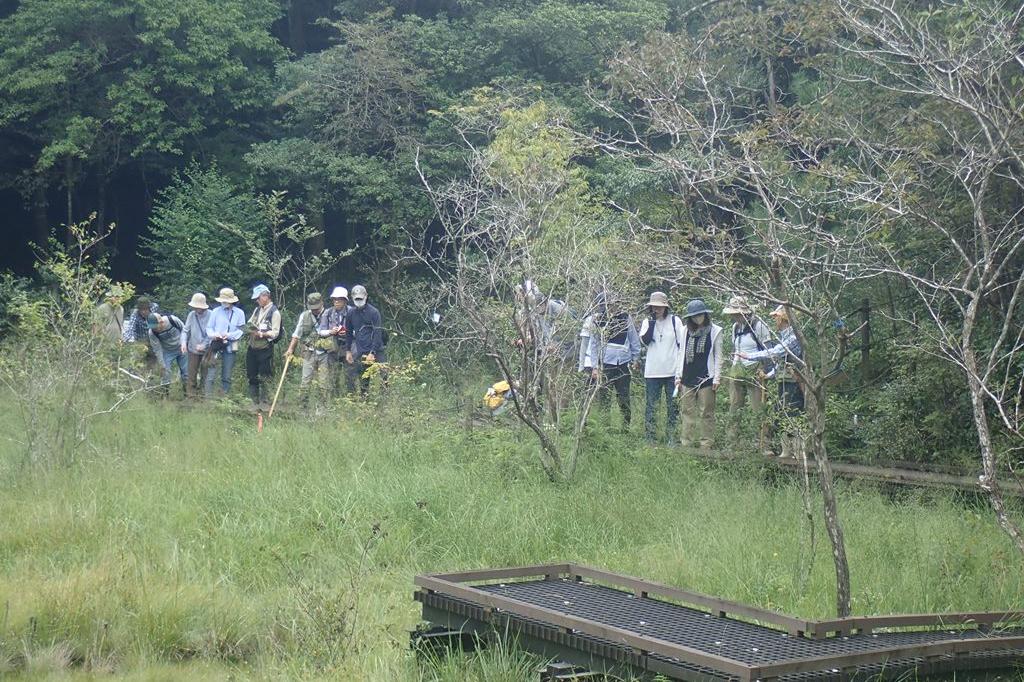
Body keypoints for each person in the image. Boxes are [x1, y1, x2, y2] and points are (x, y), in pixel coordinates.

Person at [739, 304, 805, 458]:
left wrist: (749, 356)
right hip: (783, 381)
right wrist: (770, 375)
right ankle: (786, 451)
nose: (775, 320)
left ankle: (799, 452)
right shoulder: (784, 337)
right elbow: (781, 362)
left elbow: (776, 352)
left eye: (776, 317)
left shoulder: (794, 337)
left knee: (793, 415)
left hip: (794, 383)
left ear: (783, 318)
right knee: (781, 414)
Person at [674, 299, 724, 449]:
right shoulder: (685, 331)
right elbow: (681, 353)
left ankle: (706, 444)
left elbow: (718, 355)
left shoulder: (715, 331)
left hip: (706, 376)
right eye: (694, 316)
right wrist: (678, 376)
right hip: (687, 376)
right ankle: (686, 443)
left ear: (705, 314)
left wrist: (717, 377)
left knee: (706, 412)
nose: (698, 318)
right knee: (687, 411)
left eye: (700, 315)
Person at [722, 295, 773, 440]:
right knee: (734, 407)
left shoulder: (759, 325)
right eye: (734, 314)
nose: (735, 317)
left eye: (737, 314)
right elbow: (736, 348)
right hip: (737, 370)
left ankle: (764, 442)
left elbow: (768, 350)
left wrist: (766, 370)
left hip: (755, 370)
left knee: (759, 408)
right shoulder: (735, 327)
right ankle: (732, 442)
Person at [587, 292, 640, 429]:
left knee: (623, 397)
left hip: (622, 363)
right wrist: (594, 366)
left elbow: (633, 339)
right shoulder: (598, 320)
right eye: (609, 304)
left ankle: (625, 427)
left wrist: (635, 358)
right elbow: (593, 344)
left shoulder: (626, 318)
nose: (612, 307)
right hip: (605, 364)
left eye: (615, 304)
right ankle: (604, 427)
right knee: (604, 398)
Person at [639, 291, 683, 444]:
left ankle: (672, 437)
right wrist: (652, 322)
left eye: (659, 307)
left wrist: (680, 371)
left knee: (673, 407)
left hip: (672, 371)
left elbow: (681, 345)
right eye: (653, 307)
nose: (656, 309)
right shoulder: (647, 322)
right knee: (652, 406)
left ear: (665, 307)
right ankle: (650, 438)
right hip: (652, 372)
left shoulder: (675, 321)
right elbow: (645, 341)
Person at [284, 292, 328, 406]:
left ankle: (321, 409)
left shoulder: (329, 314)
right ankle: (303, 407)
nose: (315, 310)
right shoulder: (304, 316)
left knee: (323, 383)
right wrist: (290, 350)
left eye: (317, 308)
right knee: (305, 381)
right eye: (312, 308)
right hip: (309, 352)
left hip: (325, 353)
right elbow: (296, 334)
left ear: (322, 303)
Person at [204, 287, 246, 397]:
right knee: (211, 372)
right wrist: (215, 335)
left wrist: (229, 335)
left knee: (227, 374)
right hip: (216, 345)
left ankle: (224, 397)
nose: (224, 303)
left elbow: (241, 330)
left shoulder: (239, 313)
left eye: (226, 301)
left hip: (231, 345)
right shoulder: (215, 312)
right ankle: (208, 397)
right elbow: (209, 328)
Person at [246, 284, 282, 408]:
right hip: (252, 347)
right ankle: (253, 401)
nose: (257, 300)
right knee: (251, 374)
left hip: (265, 348)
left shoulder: (275, 312)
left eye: (258, 298)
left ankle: (265, 402)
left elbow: (276, 333)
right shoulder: (257, 310)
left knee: (265, 375)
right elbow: (250, 323)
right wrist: (249, 329)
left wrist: (262, 334)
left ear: (266, 296)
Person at [345, 285, 385, 397]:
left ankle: (384, 402)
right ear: (352, 298)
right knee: (364, 379)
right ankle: (364, 401)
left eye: (361, 298)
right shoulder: (351, 313)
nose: (359, 301)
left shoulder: (374, 312)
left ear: (366, 297)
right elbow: (348, 333)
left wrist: (373, 352)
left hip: (377, 349)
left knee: (384, 376)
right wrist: (348, 351)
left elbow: (378, 333)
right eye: (356, 298)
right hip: (361, 350)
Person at [320, 286, 354, 398]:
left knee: (350, 374)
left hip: (349, 348)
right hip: (333, 348)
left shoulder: (352, 312)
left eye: (339, 299)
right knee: (334, 374)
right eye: (334, 299)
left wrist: (348, 332)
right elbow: (321, 332)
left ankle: (350, 398)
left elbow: (358, 331)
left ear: (345, 300)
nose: (336, 301)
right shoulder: (327, 313)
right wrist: (331, 331)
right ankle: (335, 398)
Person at [180, 292, 211, 399]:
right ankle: (191, 397)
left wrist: (204, 344)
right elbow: (185, 330)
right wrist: (183, 342)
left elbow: (212, 333)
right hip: (192, 349)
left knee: (205, 374)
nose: (196, 309)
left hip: (207, 351)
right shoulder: (191, 315)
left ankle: (203, 396)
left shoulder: (211, 315)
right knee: (191, 374)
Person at [148, 312, 186, 393]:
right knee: (165, 372)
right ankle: (164, 394)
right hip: (168, 351)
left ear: (161, 322)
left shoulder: (172, 320)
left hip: (181, 348)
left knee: (186, 372)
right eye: (153, 328)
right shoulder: (152, 333)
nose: (155, 329)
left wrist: (184, 343)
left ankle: (187, 393)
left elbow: (184, 330)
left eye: (156, 327)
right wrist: (162, 364)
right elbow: (157, 349)